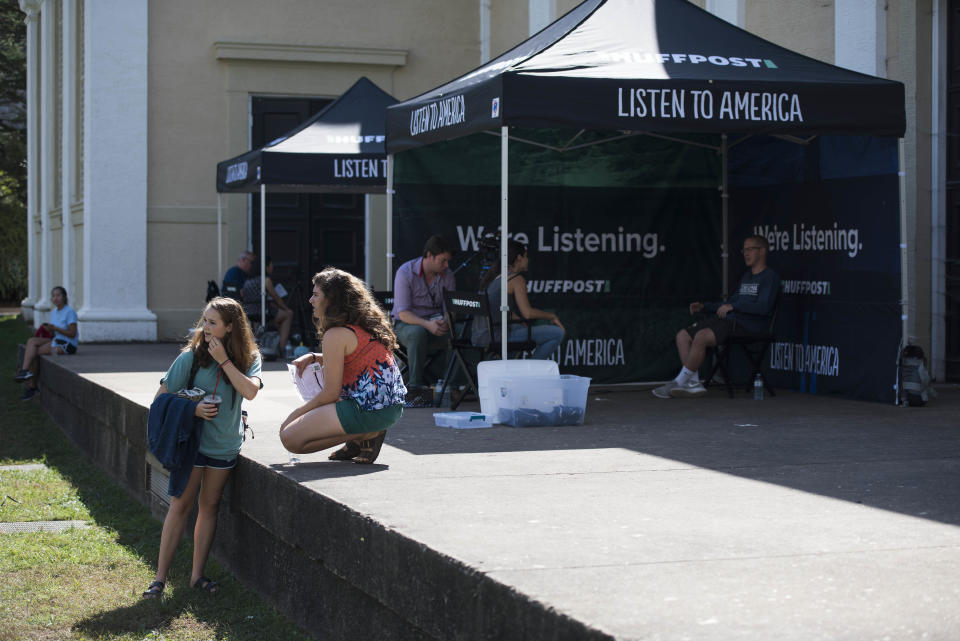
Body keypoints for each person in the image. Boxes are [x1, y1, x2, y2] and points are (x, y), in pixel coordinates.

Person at [142, 297, 262, 599]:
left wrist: (224, 360)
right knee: (180, 505)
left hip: (224, 445)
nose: (205, 327)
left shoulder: (249, 357)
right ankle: (159, 580)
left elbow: (249, 391)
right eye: (204, 320)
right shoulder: (190, 358)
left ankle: (197, 576)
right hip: (192, 444)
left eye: (212, 322)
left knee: (209, 507)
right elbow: (160, 401)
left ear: (230, 327)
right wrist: (193, 411)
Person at [280, 267, 406, 464]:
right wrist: (316, 357)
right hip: (390, 408)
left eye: (315, 295)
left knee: (289, 438)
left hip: (368, 409)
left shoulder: (335, 334)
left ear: (332, 300)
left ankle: (365, 434)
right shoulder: (362, 325)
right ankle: (363, 433)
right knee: (293, 431)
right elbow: (358, 356)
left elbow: (330, 394)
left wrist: (295, 415)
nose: (310, 300)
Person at [653, 235, 779, 399]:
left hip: (750, 326)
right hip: (730, 321)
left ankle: (679, 381)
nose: (745, 253)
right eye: (744, 250)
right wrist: (706, 306)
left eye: (749, 249)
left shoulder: (770, 277)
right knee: (683, 335)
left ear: (762, 251)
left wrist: (734, 307)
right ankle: (694, 383)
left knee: (702, 336)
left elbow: (763, 307)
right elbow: (730, 303)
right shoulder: (746, 277)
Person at [477, 240, 565, 360]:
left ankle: (509, 368)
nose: (528, 260)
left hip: (483, 335)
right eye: (526, 256)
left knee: (520, 327)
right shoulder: (516, 279)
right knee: (557, 333)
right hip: (498, 336)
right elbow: (527, 313)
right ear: (519, 258)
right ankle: (530, 372)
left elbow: (506, 312)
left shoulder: (497, 277)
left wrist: (521, 323)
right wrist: (552, 316)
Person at [391, 235, 456, 388]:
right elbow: (403, 314)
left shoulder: (448, 275)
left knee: (460, 332)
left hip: (436, 324)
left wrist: (446, 321)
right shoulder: (405, 272)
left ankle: (451, 385)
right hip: (406, 325)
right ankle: (415, 386)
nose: (446, 265)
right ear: (429, 256)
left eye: (448, 261)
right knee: (417, 333)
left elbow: (451, 309)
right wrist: (428, 324)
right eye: (442, 260)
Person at [15, 286, 78, 401]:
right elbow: (55, 333)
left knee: (34, 353)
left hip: (67, 345)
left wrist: (55, 328)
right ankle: (24, 372)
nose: (55, 298)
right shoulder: (54, 312)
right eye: (53, 296)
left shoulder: (70, 312)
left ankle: (32, 386)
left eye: (58, 295)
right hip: (56, 340)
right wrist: (49, 330)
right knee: (31, 341)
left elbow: (72, 334)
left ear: (64, 297)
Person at [241, 255, 292, 355]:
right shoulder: (266, 280)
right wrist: (287, 309)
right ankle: (282, 348)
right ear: (266, 266)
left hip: (250, 313)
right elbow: (276, 298)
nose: (272, 267)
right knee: (288, 315)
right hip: (263, 312)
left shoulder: (247, 281)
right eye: (271, 265)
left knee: (275, 317)